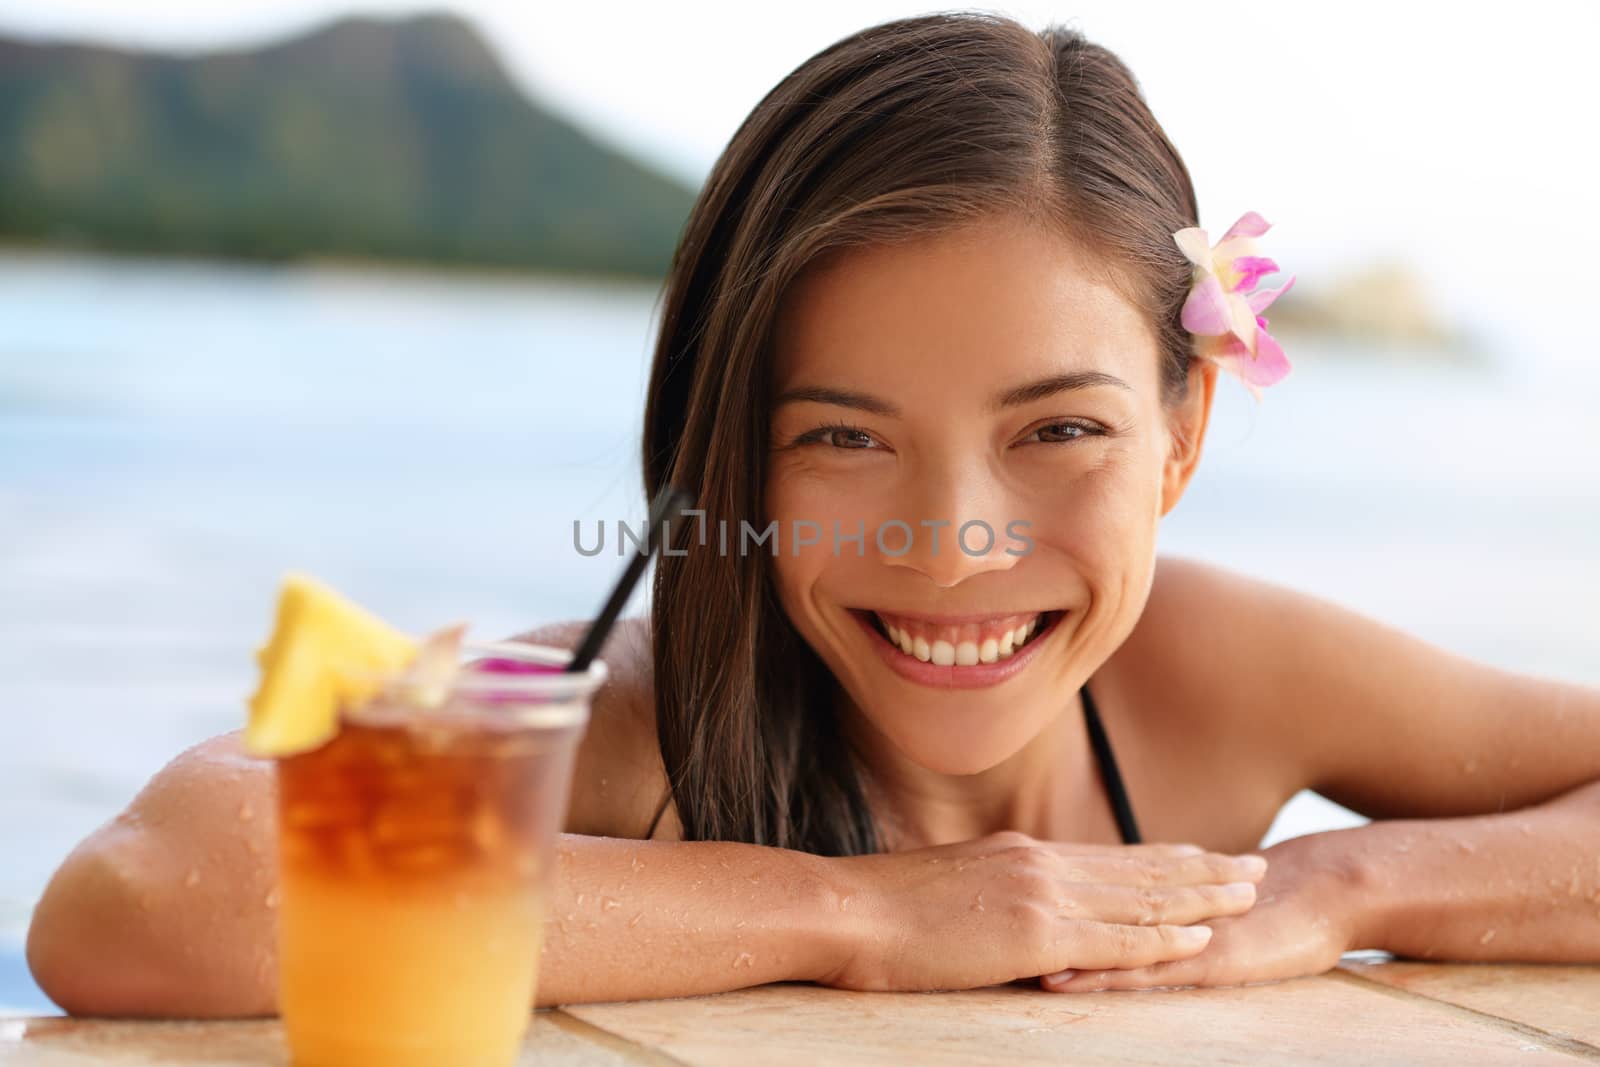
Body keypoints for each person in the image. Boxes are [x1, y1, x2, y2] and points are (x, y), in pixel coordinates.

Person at [26, 12, 1600, 1016]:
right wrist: (859, 913)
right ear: (733, 466)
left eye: (1059, 429)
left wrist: (1346, 884)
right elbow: (143, 893)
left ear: (1181, 438)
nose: (954, 540)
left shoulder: (1218, 676)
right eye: (845, 439)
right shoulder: (644, 728)